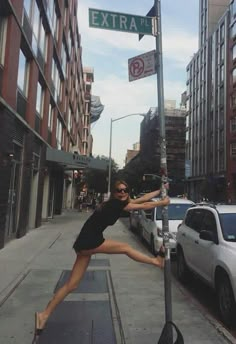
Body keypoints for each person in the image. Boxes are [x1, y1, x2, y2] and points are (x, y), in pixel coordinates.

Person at [34, 180, 169, 337]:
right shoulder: (115, 205)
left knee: (71, 285)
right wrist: (163, 202)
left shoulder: (118, 202)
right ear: (114, 192)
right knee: (126, 248)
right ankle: (156, 261)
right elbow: (143, 206)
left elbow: (142, 199)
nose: (123, 192)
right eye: (119, 190)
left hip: (84, 241)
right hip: (90, 240)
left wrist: (159, 191)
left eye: (125, 190)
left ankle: (44, 315)